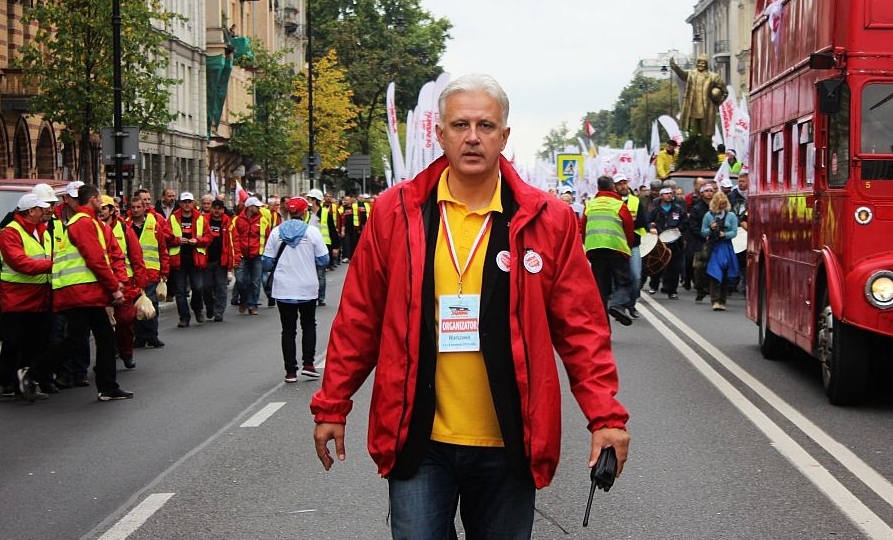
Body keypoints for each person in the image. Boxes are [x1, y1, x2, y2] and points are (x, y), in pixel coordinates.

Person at [310, 73, 629, 540]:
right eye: (460, 125)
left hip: (510, 440)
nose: (473, 137)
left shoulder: (548, 219)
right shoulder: (395, 212)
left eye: (485, 125)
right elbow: (360, 317)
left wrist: (606, 417)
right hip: (418, 439)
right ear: (440, 134)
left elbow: (582, 330)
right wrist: (332, 405)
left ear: (504, 136)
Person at [38, 185, 134, 401]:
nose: (102, 202)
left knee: (102, 338)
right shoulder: (83, 223)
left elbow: (104, 257)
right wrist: (113, 287)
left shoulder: (88, 222)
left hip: (85, 291)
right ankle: (35, 372)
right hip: (79, 291)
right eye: (99, 198)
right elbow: (95, 259)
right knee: (78, 340)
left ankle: (107, 387)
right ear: (92, 199)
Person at [262, 197, 329, 382]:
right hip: (307, 286)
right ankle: (309, 364)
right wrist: (308, 260)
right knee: (308, 325)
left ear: (288, 212)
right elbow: (324, 260)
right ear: (304, 212)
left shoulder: (276, 232)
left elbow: (266, 262)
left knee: (288, 329)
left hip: (283, 288)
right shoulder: (312, 232)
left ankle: (290, 371)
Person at [0, 194, 53, 400]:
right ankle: (6, 382)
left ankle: (25, 383)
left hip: (39, 297)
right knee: (13, 343)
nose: (46, 210)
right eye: (41, 208)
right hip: (15, 297)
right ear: (31, 211)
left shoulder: (43, 231)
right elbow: (19, 263)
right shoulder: (10, 232)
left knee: (34, 343)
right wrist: (53, 266)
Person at [100, 195, 147, 370]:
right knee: (103, 324)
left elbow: (136, 257)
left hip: (125, 283)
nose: (101, 212)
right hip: (102, 284)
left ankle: (126, 352)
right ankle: (107, 356)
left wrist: (140, 284)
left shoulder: (124, 229)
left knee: (125, 320)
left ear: (112, 210)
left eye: (104, 208)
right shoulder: (93, 228)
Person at [584, 175, 634, 326]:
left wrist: (588, 247)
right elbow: (628, 229)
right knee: (625, 282)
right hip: (616, 249)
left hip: (595, 250)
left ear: (598, 188)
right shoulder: (619, 205)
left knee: (601, 288)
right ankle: (617, 305)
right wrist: (628, 248)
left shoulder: (589, 205)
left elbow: (583, 227)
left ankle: (603, 327)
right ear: (613, 187)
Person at [127, 194, 168, 348]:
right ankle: (140, 336)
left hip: (151, 271)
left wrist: (164, 271)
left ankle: (152, 335)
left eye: (139, 207)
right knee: (137, 305)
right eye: (133, 207)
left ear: (145, 208)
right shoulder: (126, 225)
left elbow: (162, 249)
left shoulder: (154, 225)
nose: (136, 210)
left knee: (151, 303)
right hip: (132, 272)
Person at [167, 191, 211, 327]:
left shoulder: (200, 218)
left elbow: (208, 237)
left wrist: (197, 241)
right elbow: (166, 235)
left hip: (195, 260)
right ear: (180, 203)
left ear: (193, 203)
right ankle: (184, 318)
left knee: (198, 288)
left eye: (189, 202)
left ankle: (197, 308)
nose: (187, 205)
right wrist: (177, 240)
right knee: (180, 291)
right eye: (184, 202)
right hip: (178, 260)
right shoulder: (173, 218)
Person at [669, 54, 728, 136]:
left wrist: (717, 103)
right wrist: (675, 67)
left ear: (706, 64)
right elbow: (682, 75)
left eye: (703, 63)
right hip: (693, 110)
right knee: (692, 134)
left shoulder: (714, 77)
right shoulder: (691, 75)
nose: (700, 64)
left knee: (706, 135)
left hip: (707, 110)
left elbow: (725, 92)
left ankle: (706, 143)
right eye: (699, 62)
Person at [231, 196, 270, 315]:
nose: (259, 208)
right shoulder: (237, 220)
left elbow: (267, 238)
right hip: (242, 255)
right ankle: (244, 300)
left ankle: (252, 305)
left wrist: (265, 253)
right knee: (241, 281)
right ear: (250, 207)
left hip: (257, 255)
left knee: (255, 282)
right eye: (257, 206)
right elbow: (234, 238)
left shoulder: (263, 221)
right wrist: (236, 253)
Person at [701, 191, 739, 310]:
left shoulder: (731, 216)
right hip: (714, 247)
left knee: (726, 274)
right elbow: (703, 232)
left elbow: (734, 232)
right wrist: (711, 229)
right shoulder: (708, 216)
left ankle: (723, 301)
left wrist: (725, 234)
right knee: (714, 273)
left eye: (724, 204)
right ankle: (715, 300)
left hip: (726, 247)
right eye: (720, 204)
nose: (722, 206)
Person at [647, 186, 686, 299]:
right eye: (666, 193)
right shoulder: (655, 210)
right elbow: (648, 222)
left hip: (675, 243)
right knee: (657, 264)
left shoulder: (678, 209)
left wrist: (680, 228)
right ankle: (654, 285)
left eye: (670, 193)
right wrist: (652, 228)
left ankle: (672, 291)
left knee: (674, 268)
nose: (669, 195)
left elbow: (685, 222)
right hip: (660, 242)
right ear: (661, 196)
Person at [202, 199, 233, 322]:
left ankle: (219, 312)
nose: (216, 211)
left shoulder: (228, 222)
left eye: (219, 209)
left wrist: (232, 260)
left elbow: (232, 241)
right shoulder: (204, 221)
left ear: (223, 210)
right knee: (206, 287)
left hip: (221, 260)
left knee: (221, 287)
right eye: (214, 208)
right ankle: (209, 306)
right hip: (206, 259)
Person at [688, 182, 716, 302]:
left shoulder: (717, 207)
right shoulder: (697, 208)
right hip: (700, 241)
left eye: (711, 191)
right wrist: (704, 235)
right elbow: (693, 226)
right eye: (706, 191)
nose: (709, 193)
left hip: (714, 241)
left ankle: (711, 289)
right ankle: (700, 289)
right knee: (699, 267)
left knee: (713, 266)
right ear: (702, 193)